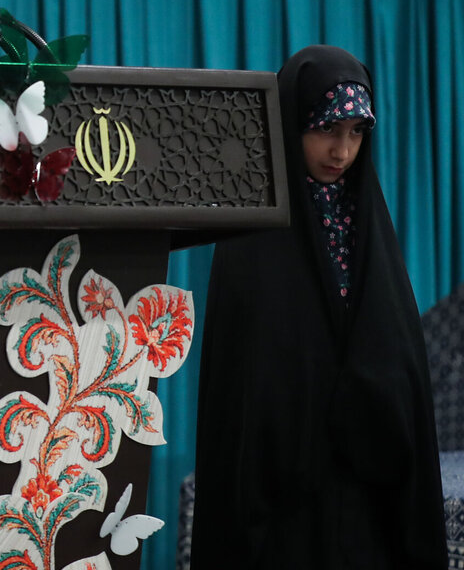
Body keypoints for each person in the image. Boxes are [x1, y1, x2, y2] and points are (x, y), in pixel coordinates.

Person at [192, 45, 447, 568]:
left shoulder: (368, 223)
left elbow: (397, 357)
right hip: (279, 509)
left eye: (356, 132)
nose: (341, 150)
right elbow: (245, 383)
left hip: (367, 497)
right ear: (291, 122)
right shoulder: (251, 232)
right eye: (327, 128)